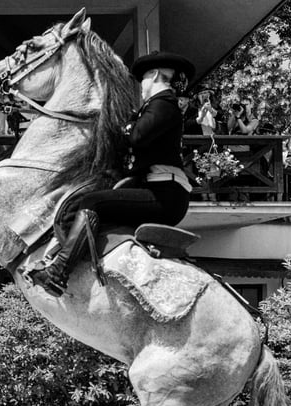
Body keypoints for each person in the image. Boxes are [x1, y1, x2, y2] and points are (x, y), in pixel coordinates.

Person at [28, 51, 195, 297]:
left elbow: (137, 137)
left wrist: (119, 127)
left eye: (143, 80)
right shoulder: (154, 107)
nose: (141, 87)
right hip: (158, 190)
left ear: (155, 75)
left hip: (164, 195)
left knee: (92, 202)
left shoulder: (164, 103)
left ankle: (58, 273)